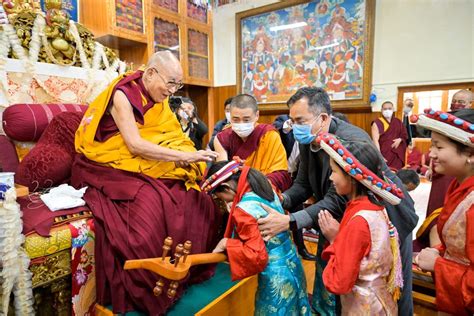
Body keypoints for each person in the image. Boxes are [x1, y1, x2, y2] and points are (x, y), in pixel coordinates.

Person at [73, 51, 220, 315]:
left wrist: (189, 155)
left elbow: (169, 133)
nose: (173, 91)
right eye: (171, 83)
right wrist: (184, 156)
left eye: (178, 85)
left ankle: (187, 270)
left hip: (138, 157)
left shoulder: (159, 98)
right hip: (105, 162)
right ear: (150, 73)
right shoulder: (122, 94)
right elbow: (135, 144)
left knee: (194, 196)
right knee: (152, 201)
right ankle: (151, 285)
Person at [257, 87, 418, 316]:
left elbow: (334, 199)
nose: (294, 127)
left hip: (382, 218)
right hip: (343, 216)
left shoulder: (349, 141)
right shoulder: (309, 138)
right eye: (292, 120)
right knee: (337, 276)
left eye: (299, 120)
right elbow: (304, 183)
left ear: (322, 118)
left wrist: (291, 221)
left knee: (386, 290)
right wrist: (282, 199)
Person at [202, 159, 311, 315]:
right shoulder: (266, 187)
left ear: (226, 188)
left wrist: (228, 243)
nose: (223, 201)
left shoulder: (243, 210)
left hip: (275, 277)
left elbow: (256, 256)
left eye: (220, 197)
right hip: (292, 262)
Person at [316, 133, 403, 314]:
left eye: (333, 171)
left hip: (364, 305)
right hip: (379, 299)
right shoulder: (374, 207)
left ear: (351, 175)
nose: (331, 178)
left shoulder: (359, 221)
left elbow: (339, 282)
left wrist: (335, 240)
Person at [413, 108, 474, 315]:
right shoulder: (458, 185)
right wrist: (439, 251)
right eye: (431, 146)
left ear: (471, 153)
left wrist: (439, 265)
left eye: (438, 147)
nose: (431, 154)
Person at [214, 94, 292, 192]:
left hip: (265, 187)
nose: (241, 123)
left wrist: (255, 188)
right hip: (234, 191)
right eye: (235, 119)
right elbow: (223, 175)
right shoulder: (222, 138)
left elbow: (280, 173)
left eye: (246, 119)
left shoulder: (268, 135)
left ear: (257, 116)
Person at [273, 113, 315, 260]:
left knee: (297, 213)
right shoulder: (283, 121)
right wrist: (285, 129)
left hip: (296, 180)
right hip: (279, 178)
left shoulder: (309, 136)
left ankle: (301, 249)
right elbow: (277, 128)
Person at [371, 101, 408, 171]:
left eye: (389, 108)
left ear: (393, 109)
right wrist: (379, 156)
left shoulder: (398, 122)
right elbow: (375, 140)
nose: (387, 110)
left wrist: (400, 139)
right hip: (384, 153)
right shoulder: (377, 123)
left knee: (396, 174)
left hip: (397, 154)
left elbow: (404, 135)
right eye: (385, 109)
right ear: (381, 110)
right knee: (385, 174)